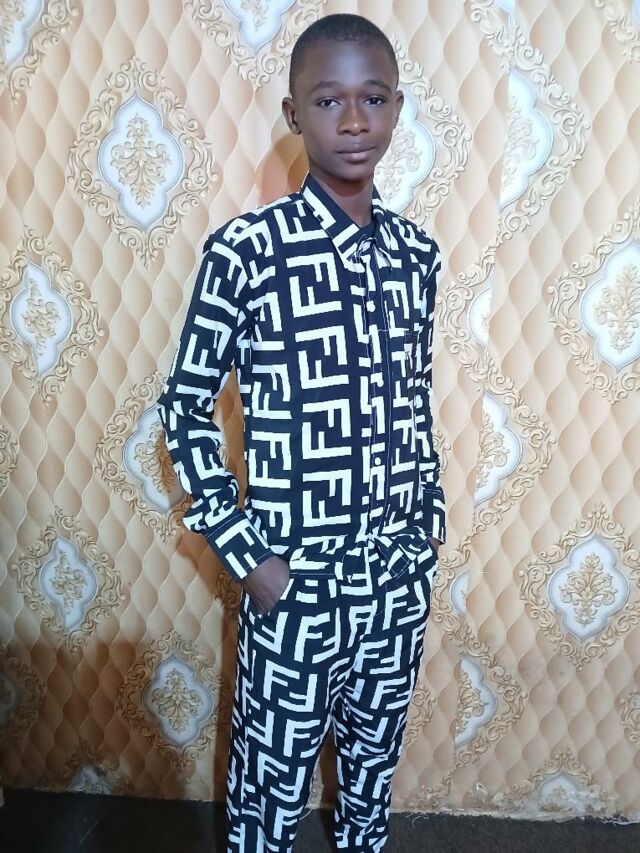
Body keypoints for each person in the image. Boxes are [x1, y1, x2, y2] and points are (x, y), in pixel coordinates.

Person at [158, 13, 446, 852]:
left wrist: (425, 527)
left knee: (370, 783)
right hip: (293, 587)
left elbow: (415, 398)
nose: (353, 121)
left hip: (394, 583)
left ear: (398, 108)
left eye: (373, 99)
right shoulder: (245, 254)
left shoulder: (417, 257)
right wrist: (248, 555)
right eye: (328, 101)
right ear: (294, 114)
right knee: (267, 796)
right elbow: (184, 406)